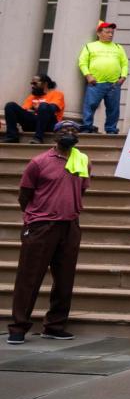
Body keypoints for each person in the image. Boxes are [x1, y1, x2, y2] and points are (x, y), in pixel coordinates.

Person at [6, 121, 88, 344]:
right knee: (29, 277)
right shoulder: (39, 163)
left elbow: (81, 189)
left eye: (73, 131)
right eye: (64, 131)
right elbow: (25, 195)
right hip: (41, 226)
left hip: (70, 225)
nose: (69, 134)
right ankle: (18, 327)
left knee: (65, 279)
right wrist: (36, 217)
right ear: (55, 136)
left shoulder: (81, 160)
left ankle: (55, 325)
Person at [77, 21, 128, 134]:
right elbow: (82, 62)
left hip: (114, 83)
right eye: (107, 32)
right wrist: (88, 75)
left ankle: (111, 129)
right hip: (96, 82)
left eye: (112, 32)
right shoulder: (90, 46)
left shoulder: (118, 47)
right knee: (90, 105)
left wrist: (123, 77)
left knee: (113, 108)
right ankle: (87, 127)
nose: (110, 34)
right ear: (99, 33)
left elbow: (124, 63)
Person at [4, 74, 65, 144]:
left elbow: (53, 109)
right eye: (31, 84)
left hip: (49, 125)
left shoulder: (57, 94)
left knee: (44, 106)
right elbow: (25, 111)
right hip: (33, 124)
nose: (32, 86)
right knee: (10, 105)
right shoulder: (32, 96)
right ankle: (12, 136)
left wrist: (38, 108)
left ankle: (38, 138)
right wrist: (38, 110)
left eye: (35, 83)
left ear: (45, 84)